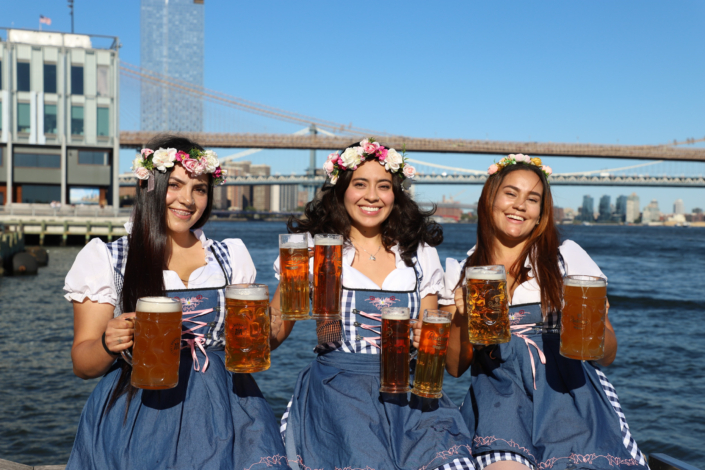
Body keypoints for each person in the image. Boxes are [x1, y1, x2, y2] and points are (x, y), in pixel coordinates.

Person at [64, 136, 288, 470]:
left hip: (228, 408)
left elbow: (259, 346)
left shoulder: (230, 256)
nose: (188, 199)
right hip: (140, 411)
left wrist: (292, 286)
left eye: (199, 188)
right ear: (149, 186)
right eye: (175, 185)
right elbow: (83, 365)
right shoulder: (108, 258)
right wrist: (108, 343)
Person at [271, 139, 476, 470]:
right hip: (338, 393)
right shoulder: (315, 250)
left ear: (395, 194)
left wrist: (431, 337)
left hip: (409, 393)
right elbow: (273, 334)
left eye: (383, 186)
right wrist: (242, 327)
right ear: (341, 191)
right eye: (360, 184)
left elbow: (434, 357)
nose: (372, 195)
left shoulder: (419, 254)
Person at [439, 154, 649, 470]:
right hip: (500, 401)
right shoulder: (461, 271)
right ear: (489, 200)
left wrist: (586, 324)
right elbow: (455, 367)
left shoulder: (566, 259)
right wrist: (461, 316)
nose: (520, 205)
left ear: (541, 214)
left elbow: (606, 355)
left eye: (532, 199)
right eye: (511, 193)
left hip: (570, 398)